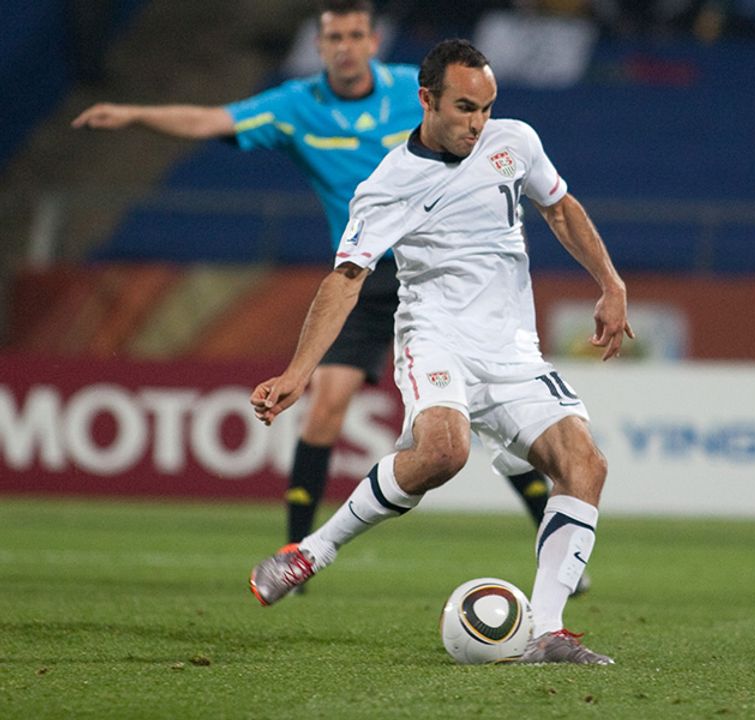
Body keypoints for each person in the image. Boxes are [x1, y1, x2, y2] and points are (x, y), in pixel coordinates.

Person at [70, 0, 562, 574]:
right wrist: (132, 115)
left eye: (356, 34)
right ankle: (296, 552)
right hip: (362, 279)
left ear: (374, 41)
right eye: (335, 37)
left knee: (484, 414)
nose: (346, 46)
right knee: (326, 408)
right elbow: (213, 122)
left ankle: (551, 549)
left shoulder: (418, 91)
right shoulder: (296, 107)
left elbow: (488, 135)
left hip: (436, 277)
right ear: (320, 45)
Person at [249, 39, 633, 664]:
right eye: (463, 108)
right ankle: (310, 552)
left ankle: (550, 633)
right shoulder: (387, 186)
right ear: (426, 101)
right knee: (444, 452)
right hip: (436, 336)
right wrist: (300, 370)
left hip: (511, 347)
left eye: (485, 108)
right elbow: (345, 280)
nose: (477, 124)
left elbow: (560, 208)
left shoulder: (515, 141)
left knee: (584, 465)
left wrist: (611, 284)